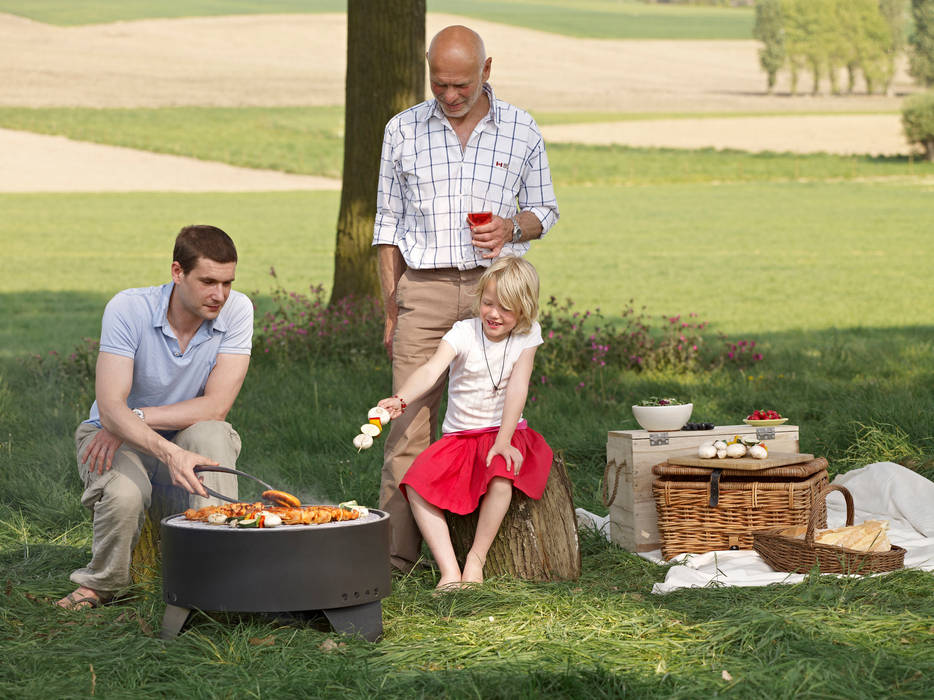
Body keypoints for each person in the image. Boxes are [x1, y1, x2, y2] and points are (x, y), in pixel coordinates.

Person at [373, 24, 559, 572]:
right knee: (406, 428)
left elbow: (545, 211)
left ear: (487, 70)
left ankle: (482, 555)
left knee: (493, 420)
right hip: (425, 289)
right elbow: (387, 225)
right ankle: (394, 561)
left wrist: (511, 228)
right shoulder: (401, 130)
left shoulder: (521, 129)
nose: (450, 96)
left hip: (496, 292)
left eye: (461, 85)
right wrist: (392, 305)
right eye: (439, 85)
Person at [55, 225, 253, 610]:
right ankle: (104, 583)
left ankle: (214, 577)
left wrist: (137, 417)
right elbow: (110, 407)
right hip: (111, 436)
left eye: (228, 282)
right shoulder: (129, 308)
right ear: (177, 272)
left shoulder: (238, 310)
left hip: (182, 433)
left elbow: (215, 406)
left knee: (213, 436)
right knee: (126, 493)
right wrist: (127, 425)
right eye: (208, 281)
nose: (220, 295)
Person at [375, 256, 553, 588]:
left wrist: (504, 440)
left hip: (503, 432)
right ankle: (448, 570)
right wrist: (401, 398)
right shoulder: (463, 333)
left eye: (506, 308)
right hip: (460, 438)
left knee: (502, 478)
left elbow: (519, 387)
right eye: (488, 303)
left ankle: (476, 559)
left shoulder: (528, 336)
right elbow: (430, 369)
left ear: (525, 310)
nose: (494, 313)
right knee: (416, 485)